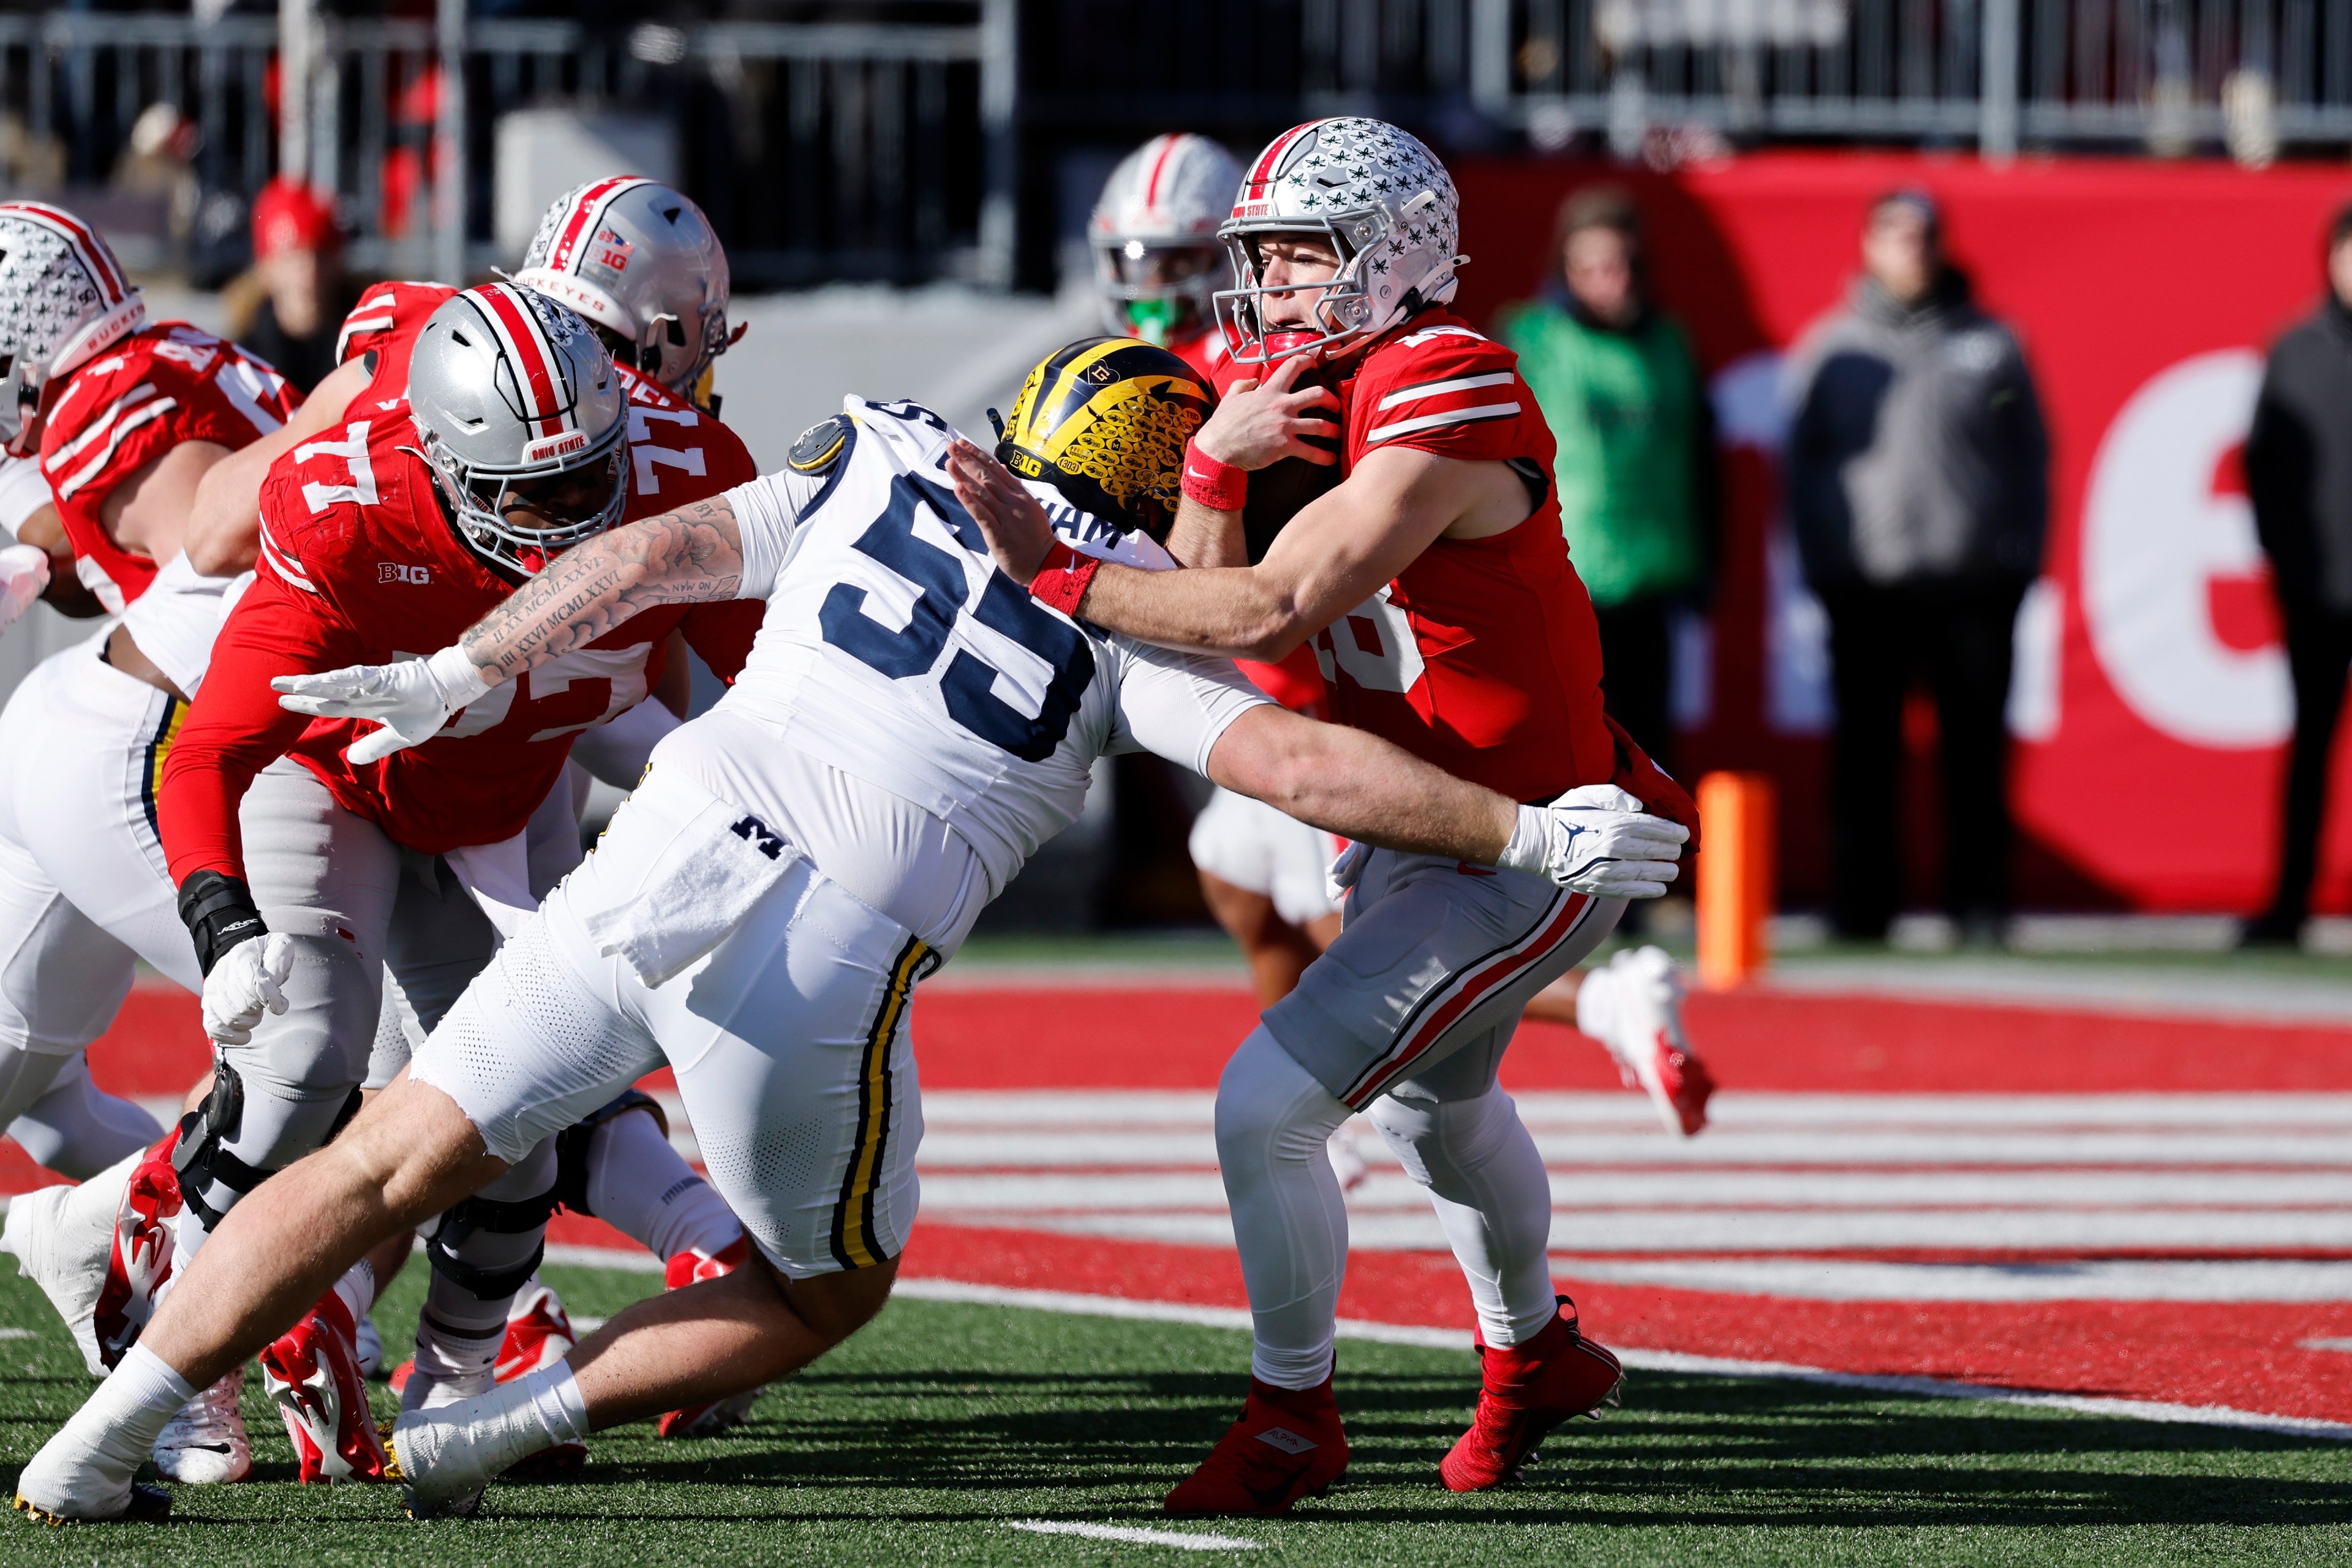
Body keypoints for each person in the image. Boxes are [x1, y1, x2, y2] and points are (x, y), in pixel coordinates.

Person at [10, 345, 1686, 1525]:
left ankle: (96, 1441)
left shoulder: (884, 448)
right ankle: (487, 1430)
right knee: (828, 1288)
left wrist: (468, 666)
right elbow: (1309, 762)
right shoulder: (1131, 635)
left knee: (391, 1157)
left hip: (665, 842)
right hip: (820, 951)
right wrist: (1525, 831)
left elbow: (655, 551)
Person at [949, 117, 1699, 1511]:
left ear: (1398, 253)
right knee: (1432, 1103)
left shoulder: (1449, 375)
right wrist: (1212, 470)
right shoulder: (1263, 379)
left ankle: (1293, 1412)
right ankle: (1532, 1351)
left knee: (1262, 1107)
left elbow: (1273, 604)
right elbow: (1211, 611)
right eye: (1262, 256)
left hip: (1531, 825)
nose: (1270, 285)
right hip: (1406, 819)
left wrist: (1051, 577)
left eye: (1301, 253)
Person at [4, 282, 761, 1495]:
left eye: (596, 476)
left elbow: (763, 691)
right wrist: (222, 917)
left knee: (516, 1110)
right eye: (541, 495)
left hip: (498, 810)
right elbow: (210, 749)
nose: (582, 517)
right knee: (303, 1056)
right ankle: (164, 1322)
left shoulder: (679, 467)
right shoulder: (349, 507)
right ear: (446, 464)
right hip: (335, 785)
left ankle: (457, 1381)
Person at [0, 200, 301, 1483]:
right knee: (326, 1049)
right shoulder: (176, 356)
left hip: (169, 734)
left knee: (42, 1068)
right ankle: (200, 1320)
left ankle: (166, 1300)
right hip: (140, 740)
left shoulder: (113, 400)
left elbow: (201, 565)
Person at [1783, 188, 2048, 946]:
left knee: (1977, 757)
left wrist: (2017, 561)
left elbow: (2032, 460)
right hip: (1868, 587)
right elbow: (1802, 471)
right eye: (1896, 235)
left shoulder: (1992, 342)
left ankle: (1981, 906)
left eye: (1925, 235)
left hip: (1973, 585)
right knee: (1866, 759)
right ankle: (1863, 909)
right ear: (1867, 246)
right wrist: (1826, 568)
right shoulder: (1832, 350)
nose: (1913, 248)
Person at [2242, 203, 2352, 948]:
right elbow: (2263, 472)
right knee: (2311, 749)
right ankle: (2290, 900)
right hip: (2321, 591)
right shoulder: (2298, 351)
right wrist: (2289, 565)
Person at [230, 178, 354, 395]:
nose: (309, 274)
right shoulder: (244, 363)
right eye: (293, 258)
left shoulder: (367, 347)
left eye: (321, 255)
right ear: (266, 267)